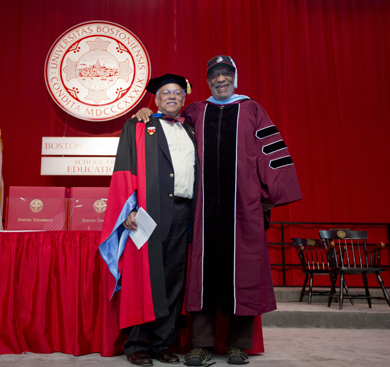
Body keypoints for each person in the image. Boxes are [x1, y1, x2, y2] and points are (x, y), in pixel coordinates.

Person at [135, 56, 302, 365]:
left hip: (243, 209)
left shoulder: (253, 110)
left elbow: (271, 153)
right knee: (202, 274)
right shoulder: (197, 111)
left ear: (235, 78)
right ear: (208, 81)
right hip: (202, 211)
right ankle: (201, 344)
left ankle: (238, 344)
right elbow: (168, 130)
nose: (221, 80)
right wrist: (147, 112)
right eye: (215, 76)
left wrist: (266, 197)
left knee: (245, 274)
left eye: (226, 74)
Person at [99, 74, 199, 366]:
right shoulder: (139, 125)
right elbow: (124, 170)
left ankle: (162, 343)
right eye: (166, 92)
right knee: (142, 277)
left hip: (185, 212)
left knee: (174, 281)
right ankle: (136, 344)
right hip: (147, 213)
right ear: (155, 99)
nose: (172, 96)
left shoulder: (191, 130)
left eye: (177, 93)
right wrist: (126, 209)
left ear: (184, 99)